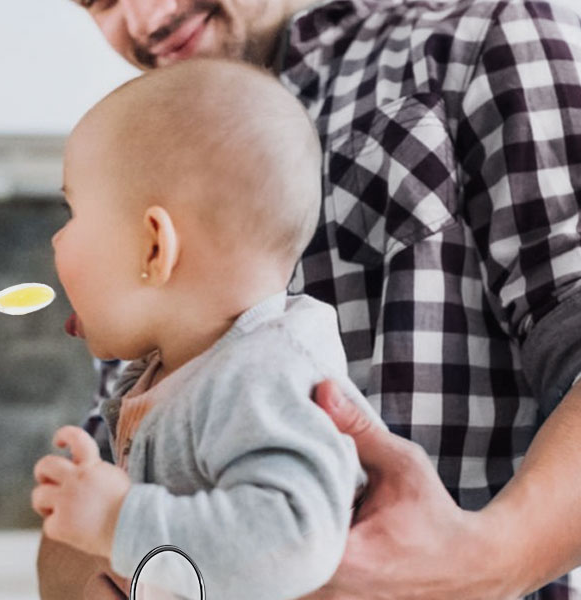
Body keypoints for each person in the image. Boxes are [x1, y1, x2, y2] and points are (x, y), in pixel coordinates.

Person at [41, 0, 581, 597]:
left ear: (154, 246)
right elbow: (92, 515)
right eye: (100, 0)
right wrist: (108, 561)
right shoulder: (137, 164)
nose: (146, 20)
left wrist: (492, 559)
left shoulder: (480, 37)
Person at [33, 59, 379, 600]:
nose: (57, 241)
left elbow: (293, 542)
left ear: (154, 248)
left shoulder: (262, 374)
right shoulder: (184, 370)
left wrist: (118, 521)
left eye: (72, 212)